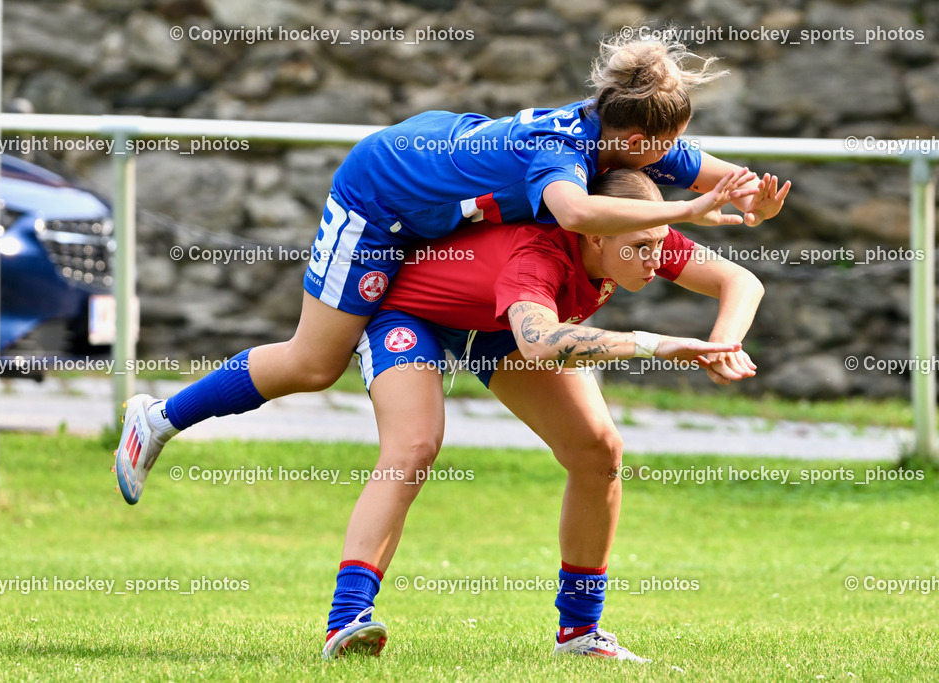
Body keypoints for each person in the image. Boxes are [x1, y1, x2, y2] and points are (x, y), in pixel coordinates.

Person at [113, 32, 789, 506]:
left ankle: (580, 630)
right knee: (316, 362)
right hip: (379, 195)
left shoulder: (631, 144)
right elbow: (576, 213)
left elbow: (732, 182)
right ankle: (159, 417)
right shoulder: (561, 149)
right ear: (638, 141)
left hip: (437, 209)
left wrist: (750, 199)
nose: (677, 161)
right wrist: (694, 210)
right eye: (669, 150)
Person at [319, 169, 768, 662]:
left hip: (499, 320)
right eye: (642, 247)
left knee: (598, 450)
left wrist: (723, 346)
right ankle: (347, 622)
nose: (655, 257)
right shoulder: (541, 254)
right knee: (414, 447)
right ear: (595, 235)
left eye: (659, 242)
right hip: (415, 314)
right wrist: (652, 344)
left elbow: (740, 280)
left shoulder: (641, 231)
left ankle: (579, 634)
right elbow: (538, 343)